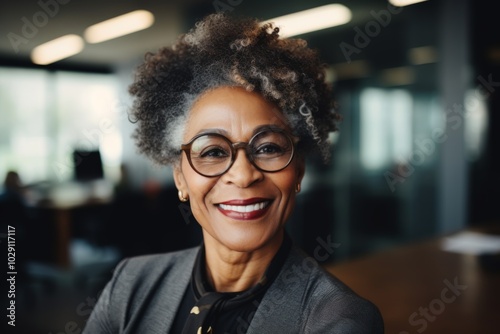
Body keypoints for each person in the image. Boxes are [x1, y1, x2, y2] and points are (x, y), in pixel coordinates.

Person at [83, 13, 384, 334]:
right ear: (181, 178)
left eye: (268, 148)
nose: (243, 176)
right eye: (212, 152)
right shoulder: (129, 284)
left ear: (298, 171)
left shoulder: (340, 319)